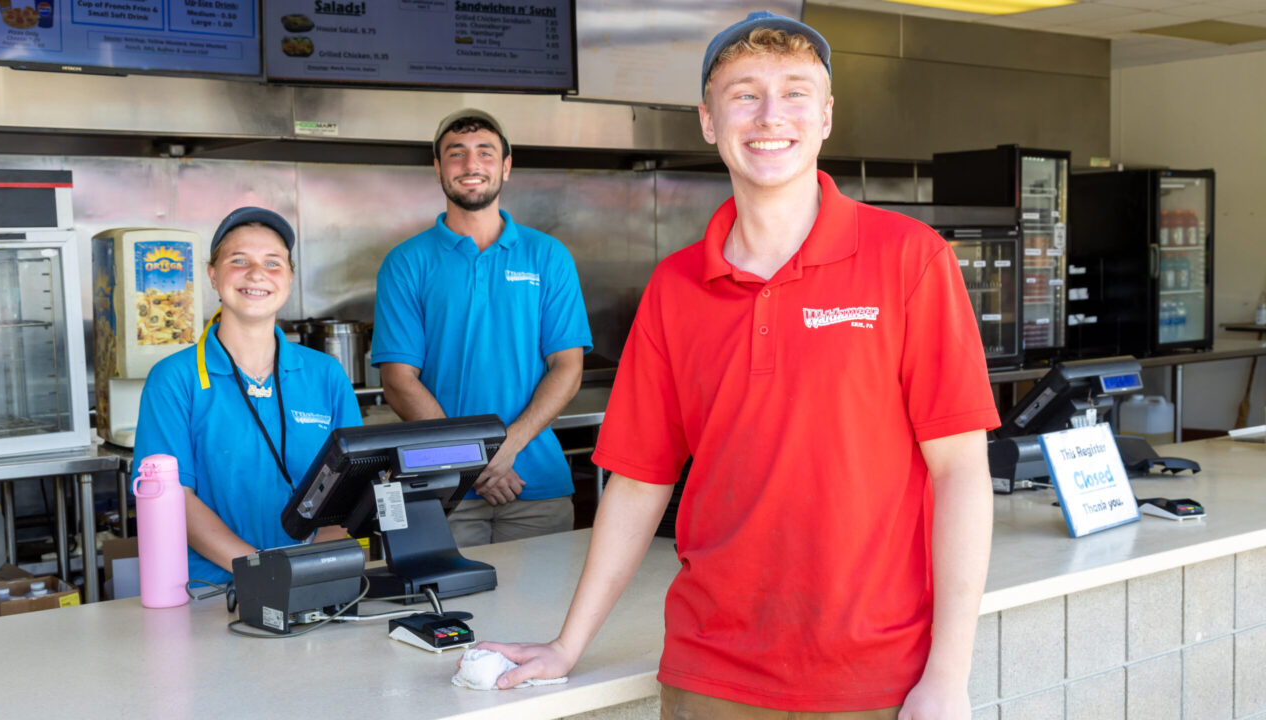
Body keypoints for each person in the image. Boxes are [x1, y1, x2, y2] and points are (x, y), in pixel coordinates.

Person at [480, 12, 999, 720]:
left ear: (825, 117)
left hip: (874, 677)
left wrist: (949, 676)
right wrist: (568, 645)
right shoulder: (674, 287)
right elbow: (637, 483)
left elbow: (961, 471)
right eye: (744, 94)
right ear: (707, 119)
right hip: (709, 675)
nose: (769, 115)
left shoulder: (909, 260)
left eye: (794, 92)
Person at [371, 109, 593, 548]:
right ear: (437, 169)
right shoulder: (406, 262)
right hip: (442, 493)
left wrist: (504, 449)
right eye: (456, 154)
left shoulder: (548, 256)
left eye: (485, 153)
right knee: (447, 615)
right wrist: (471, 462)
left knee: (543, 617)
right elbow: (397, 381)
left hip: (538, 488)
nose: (471, 166)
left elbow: (567, 367)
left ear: (506, 166)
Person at [133, 207, 362, 586]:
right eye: (239, 261)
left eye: (273, 263)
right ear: (212, 274)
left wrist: (314, 568)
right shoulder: (174, 380)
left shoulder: (326, 374)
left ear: (288, 278)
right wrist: (264, 573)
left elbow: (350, 485)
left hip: (314, 585)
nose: (257, 274)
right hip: (212, 593)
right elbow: (175, 500)